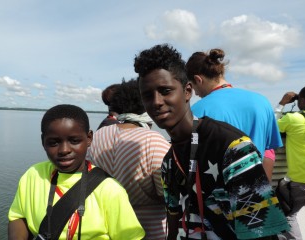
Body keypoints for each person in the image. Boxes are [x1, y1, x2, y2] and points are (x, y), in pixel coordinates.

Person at [134, 43, 289, 239]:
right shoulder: (169, 161)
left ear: (188, 91)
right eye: (147, 96)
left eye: (165, 91)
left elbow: (261, 230)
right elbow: (173, 222)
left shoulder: (232, 147)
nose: (156, 102)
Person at [8, 104, 145, 240]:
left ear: (89, 138)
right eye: (54, 142)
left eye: (74, 141)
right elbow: (18, 216)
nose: (64, 150)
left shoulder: (110, 190)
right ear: (43, 142)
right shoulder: (33, 175)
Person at [87, 79, 170, 239]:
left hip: (106, 228)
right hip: (150, 231)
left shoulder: (97, 136)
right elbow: (167, 196)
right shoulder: (153, 141)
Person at [185, 49, 283, 182]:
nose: (196, 93)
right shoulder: (263, 102)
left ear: (198, 79)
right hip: (256, 191)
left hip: (217, 195)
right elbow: (269, 153)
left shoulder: (196, 110)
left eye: (193, 87)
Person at [276, 85, 305, 240]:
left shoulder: (293, 118)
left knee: (286, 216)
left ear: (304, 100)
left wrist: (282, 103)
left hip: (299, 181)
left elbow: (270, 127)